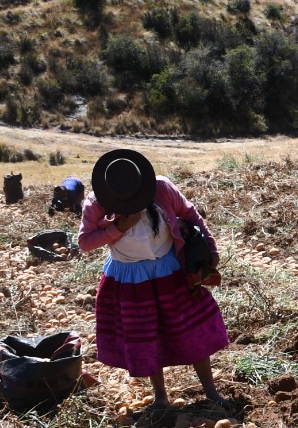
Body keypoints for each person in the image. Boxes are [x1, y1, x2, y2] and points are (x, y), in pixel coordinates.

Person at [78, 149, 230, 413]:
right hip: (130, 278)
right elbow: (85, 242)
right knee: (146, 335)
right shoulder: (96, 203)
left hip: (170, 269)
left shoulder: (161, 188)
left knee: (191, 329)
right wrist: (119, 227)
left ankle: (210, 390)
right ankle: (160, 396)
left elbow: (191, 214)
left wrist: (211, 249)